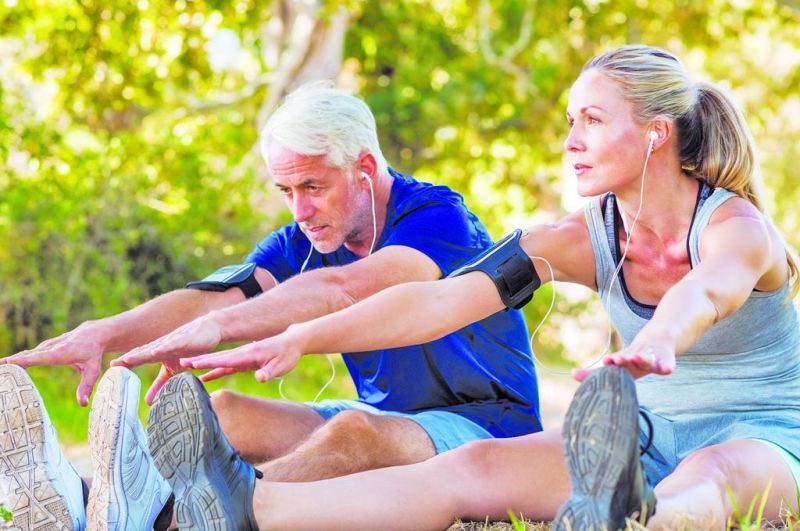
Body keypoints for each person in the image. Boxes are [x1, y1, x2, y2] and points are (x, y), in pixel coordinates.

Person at [147, 44, 800, 530]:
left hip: (761, 435)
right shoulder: (575, 238)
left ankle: (641, 519)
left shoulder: (738, 227)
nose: (572, 141)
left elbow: (707, 292)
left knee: (710, 475)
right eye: (571, 121)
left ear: (656, 133)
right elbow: (437, 302)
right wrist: (295, 337)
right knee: (471, 468)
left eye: (593, 121)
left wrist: (659, 338)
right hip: (646, 435)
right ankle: (249, 507)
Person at [0, 83, 541, 529]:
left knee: (353, 433)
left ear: (365, 168)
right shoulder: (304, 239)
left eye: (312, 185)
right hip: (392, 419)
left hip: (488, 428)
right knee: (226, 412)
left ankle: (189, 518)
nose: (300, 209)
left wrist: (221, 327)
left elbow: (347, 289)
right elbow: (212, 297)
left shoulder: (438, 218)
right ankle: (78, 497)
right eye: (286, 190)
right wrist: (104, 333)